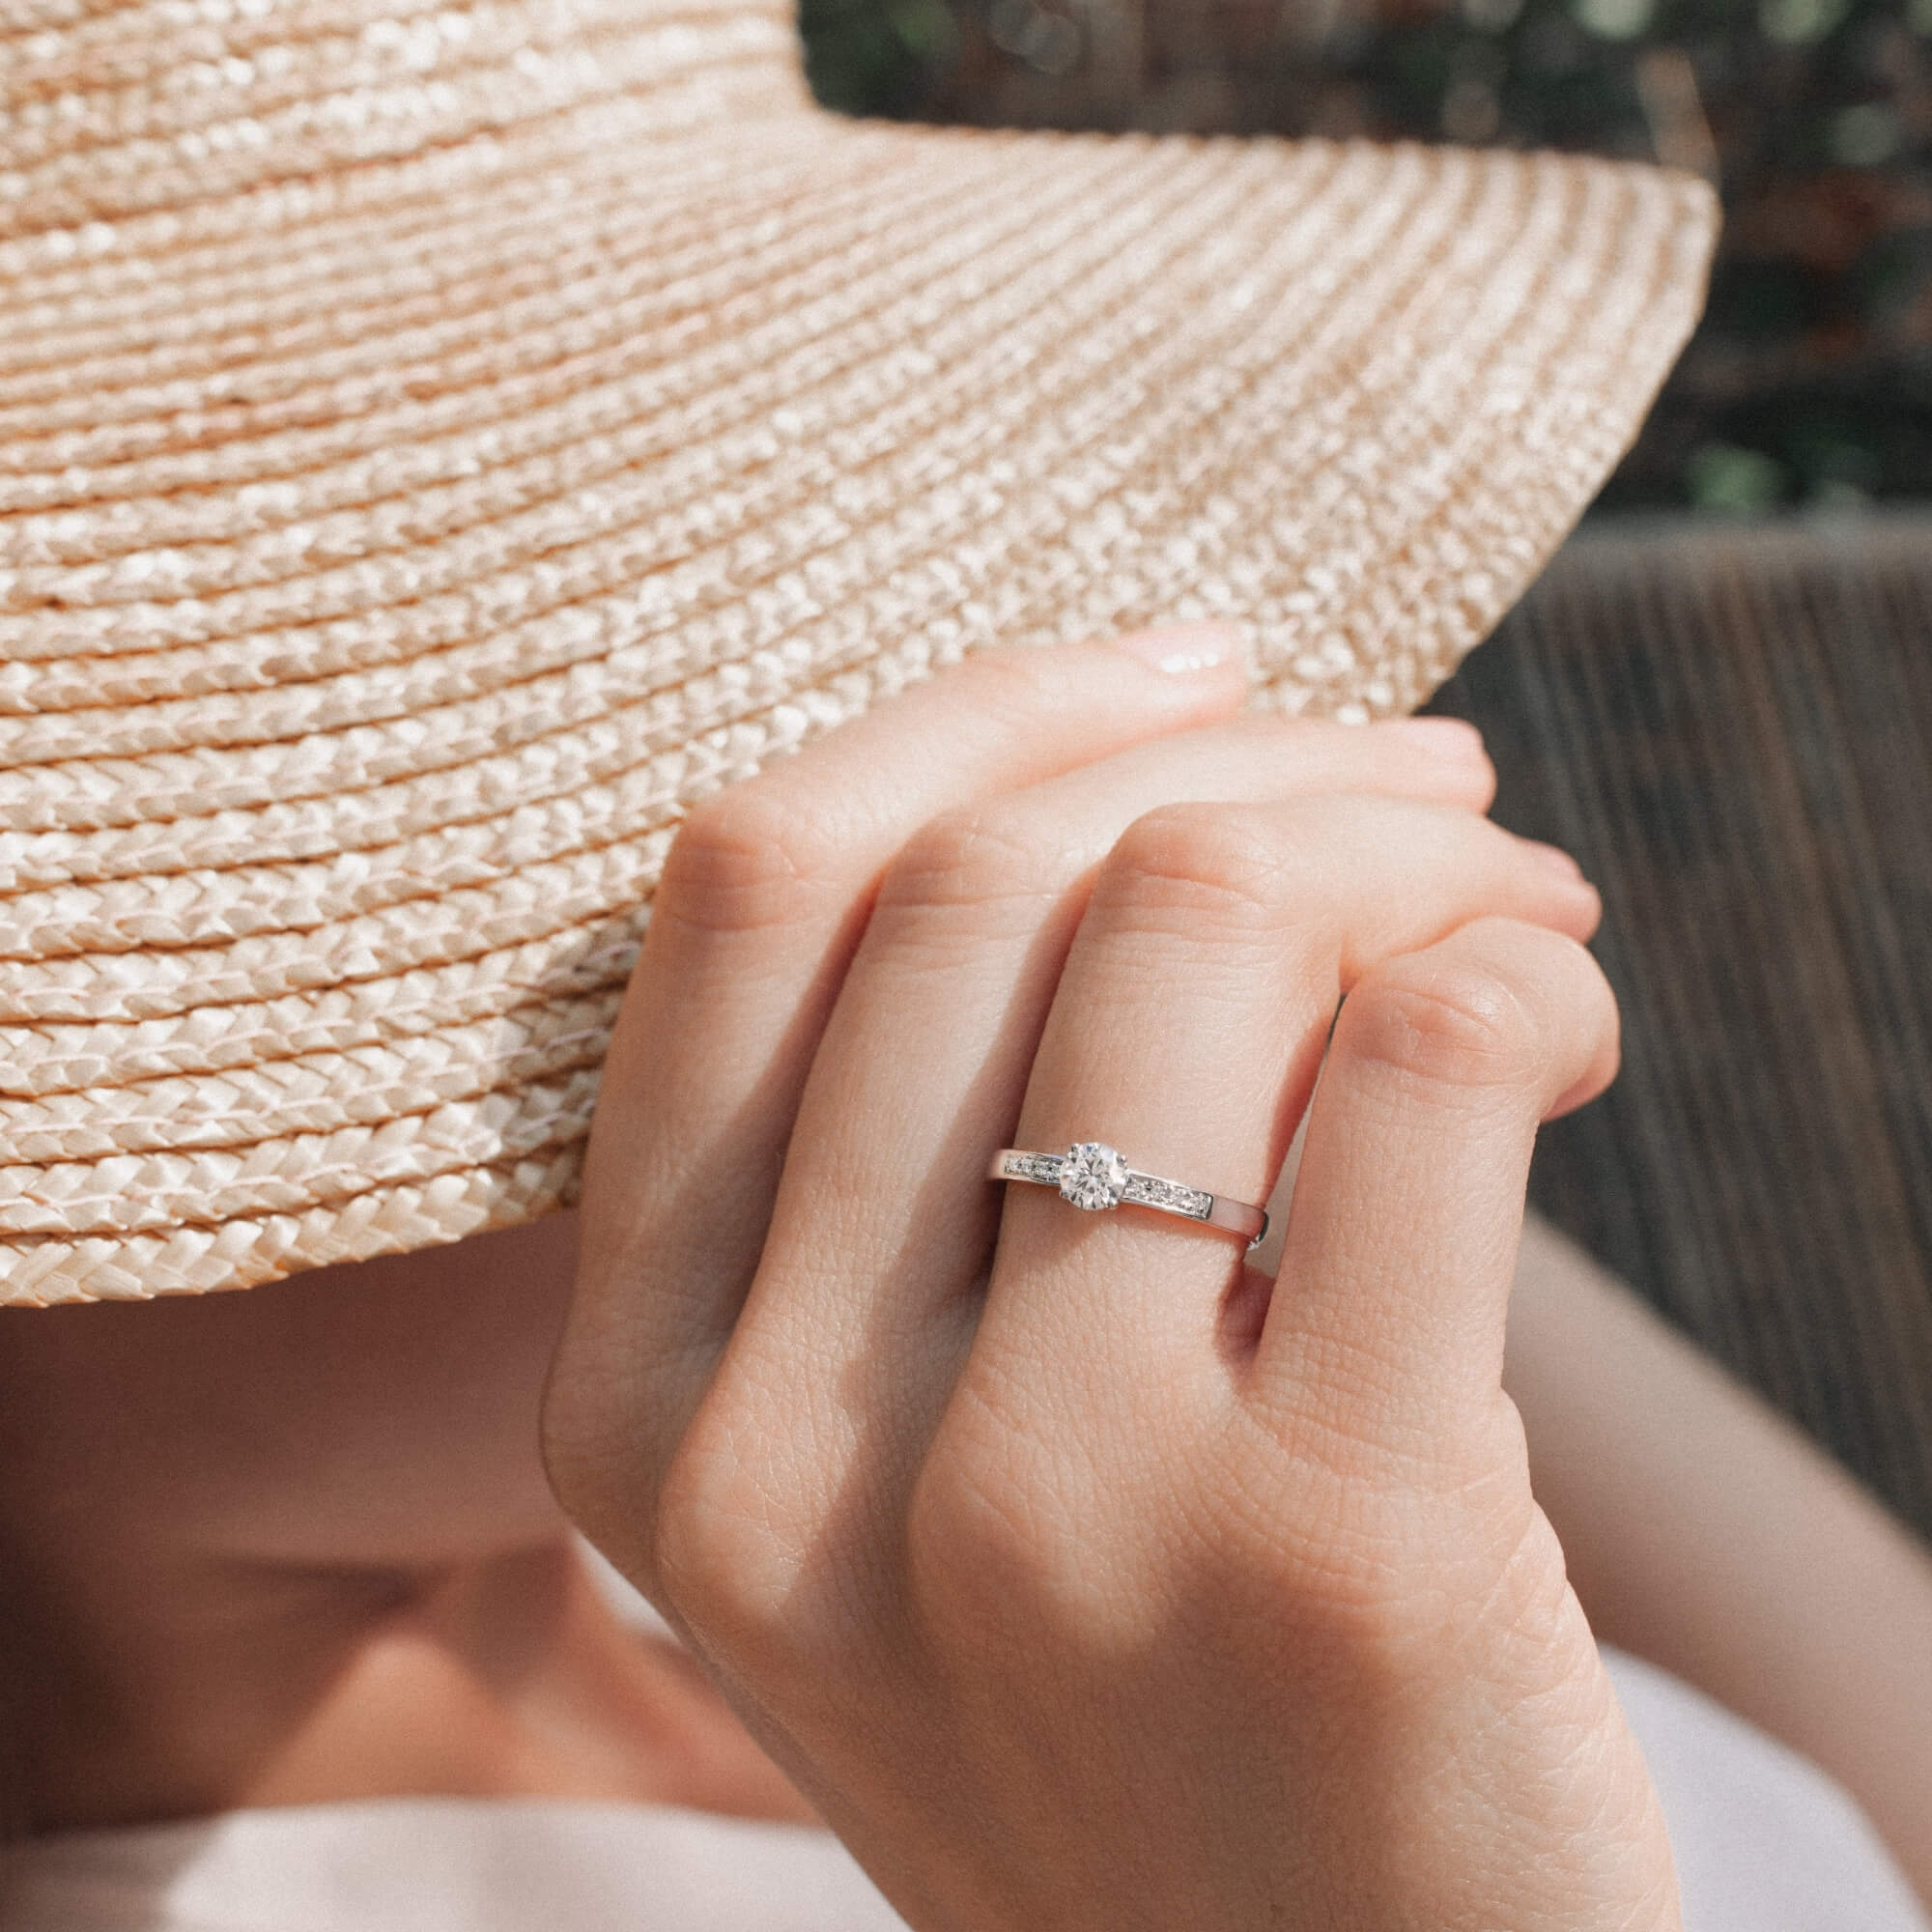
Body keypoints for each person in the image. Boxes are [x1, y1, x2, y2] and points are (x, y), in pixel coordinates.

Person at [0, 0, 1927, 1925]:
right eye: (422, 823)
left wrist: (1245, 1063)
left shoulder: (986, 1483)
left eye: (762, 636)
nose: (815, 851)